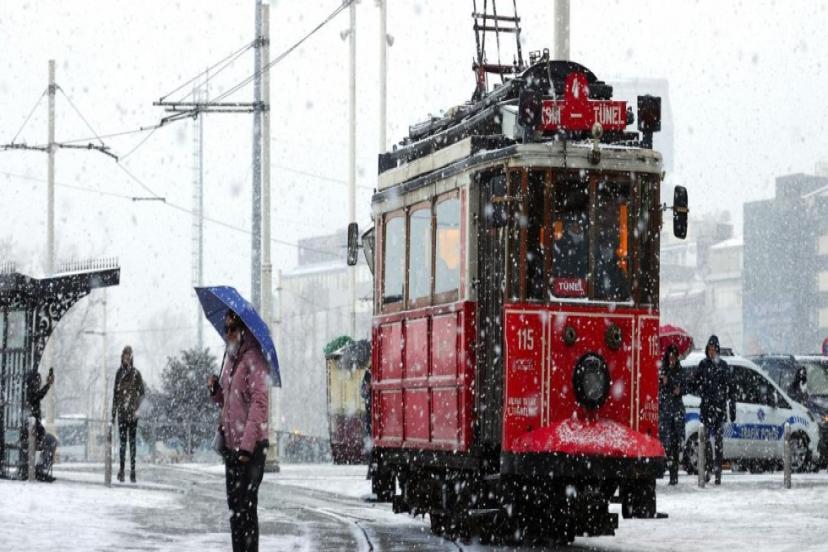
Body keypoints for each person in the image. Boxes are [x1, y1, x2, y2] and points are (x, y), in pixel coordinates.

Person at [208, 310, 270, 552]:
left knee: (246, 509)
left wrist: (247, 445)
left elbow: (258, 404)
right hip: (232, 448)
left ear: (244, 331)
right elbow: (229, 400)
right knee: (234, 511)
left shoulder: (254, 360)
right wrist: (216, 391)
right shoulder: (231, 361)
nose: (229, 333)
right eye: (226, 329)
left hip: (252, 448)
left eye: (233, 328)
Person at [695, 335, 735, 485]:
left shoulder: (723, 366)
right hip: (706, 408)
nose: (712, 352)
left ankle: (717, 471)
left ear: (717, 350)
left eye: (714, 349)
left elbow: (730, 388)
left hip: (719, 409)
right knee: (704, 441)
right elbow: (695, 383)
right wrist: (700, 390)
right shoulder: (703, 365)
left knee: (718, 442)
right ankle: (708, 468)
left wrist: (732, 407)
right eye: (710, 349)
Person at [112, 345, 145, 483]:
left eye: (128, 356)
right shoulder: (119, 373)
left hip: (132, 414)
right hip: (122, 414)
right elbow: (115, 395)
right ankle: (122, 470)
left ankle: (132, 471)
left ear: (131, 358)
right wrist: (113, 415)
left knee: (131, 444)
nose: (125, 358)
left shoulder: (136, 374)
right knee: (123, 444)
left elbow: (142, 394)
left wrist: (137, 409)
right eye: (124, 356)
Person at [21, 367, 58, 482]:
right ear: (33, 382)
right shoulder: (30, 395)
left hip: (34, 434)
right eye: (38, 381)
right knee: (51, 441)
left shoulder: (28, 394)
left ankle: (38, 469)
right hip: (31, 435)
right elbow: (38, 396)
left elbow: (39, 396)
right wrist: (48, 385)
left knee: (50, 440)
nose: (39, 383)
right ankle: (39, 469)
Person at [658, 345, 685, 485]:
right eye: (670, 357)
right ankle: (667, 469)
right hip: (665, 412)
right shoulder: (662, 370)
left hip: (676, 412)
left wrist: (676, 387)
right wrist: (664, 382)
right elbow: (659, 387)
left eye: (674, 357)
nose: (672, 360)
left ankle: (674, 475)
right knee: (666, 444)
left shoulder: (680, 370)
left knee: (675, 444)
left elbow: (682, 387)